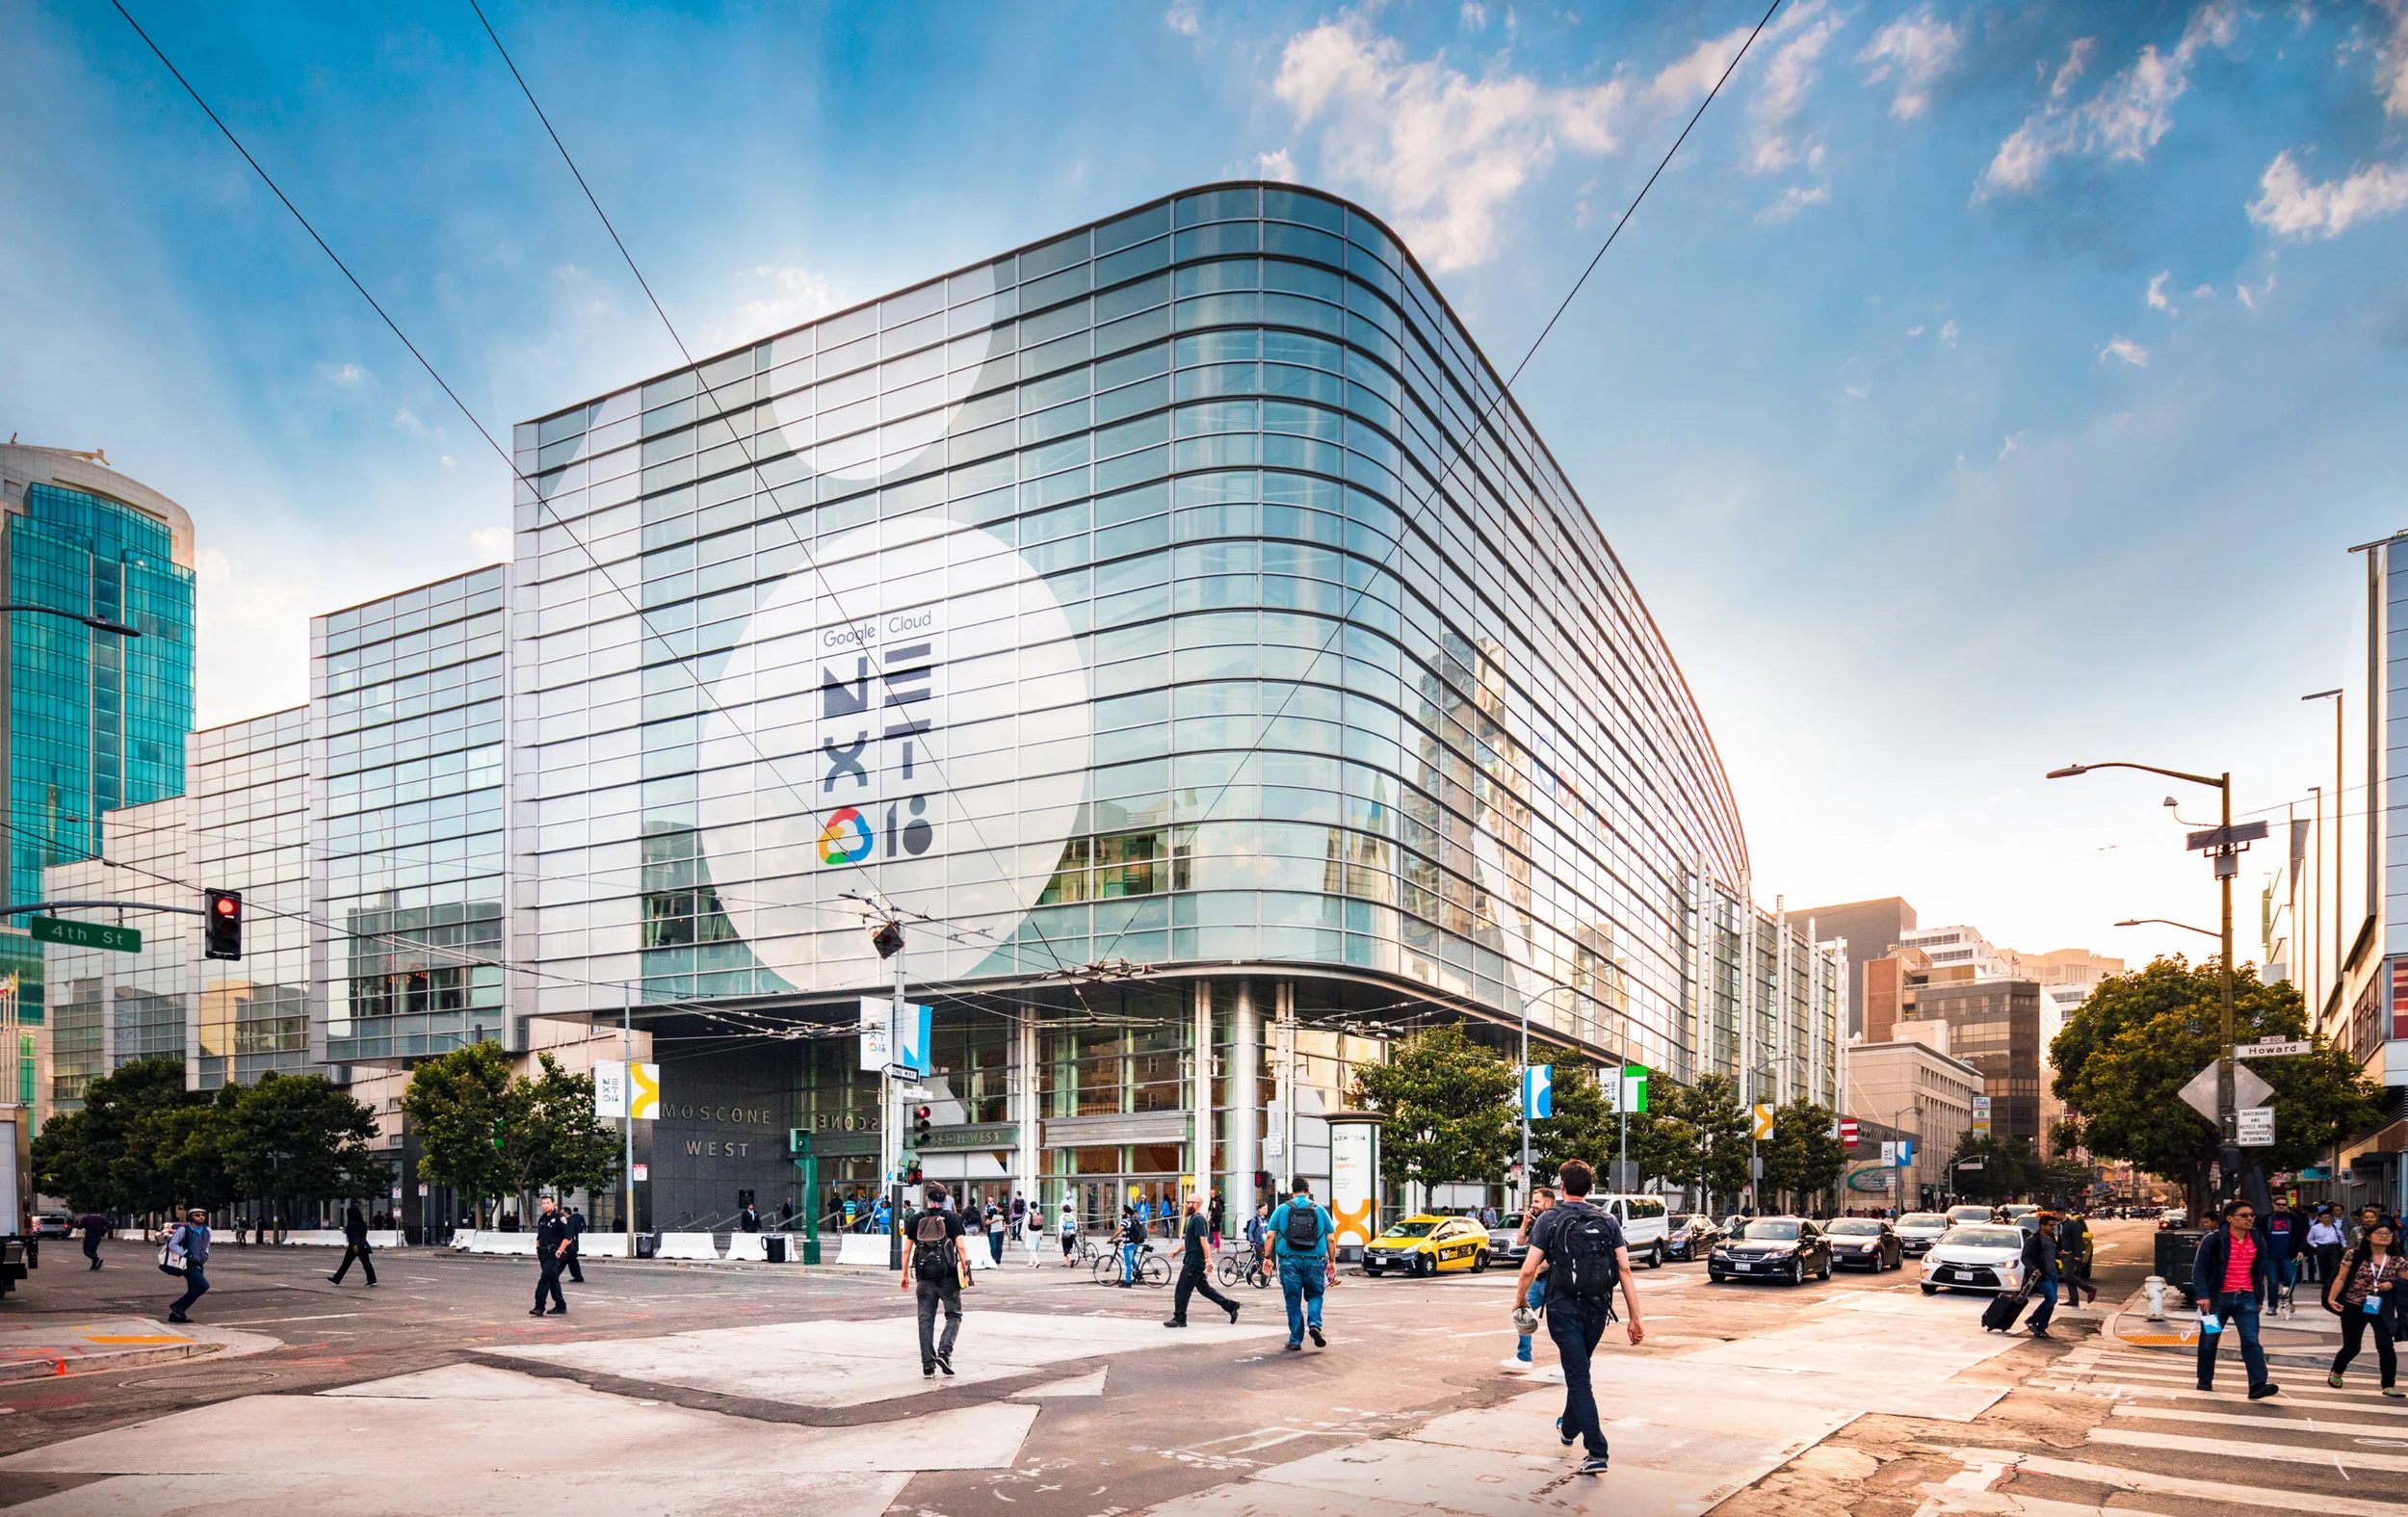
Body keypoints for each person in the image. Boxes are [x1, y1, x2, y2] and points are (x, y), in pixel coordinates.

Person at [1516, 1160, 1643, 1478]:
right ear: (1590, 1187)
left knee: (1578, 1376)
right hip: (1598, 1309)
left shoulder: (1549, 1219)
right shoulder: (1608, 1220)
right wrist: (1635, 1318)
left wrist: (1520, 1304)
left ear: (1562, 1186)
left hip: (1562, 1307)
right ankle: (1569, 1426)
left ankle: (1597, 1450)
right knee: (1579, 1370)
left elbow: (1529, 1268)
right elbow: (1625, 1269)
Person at [2192, 1196, 2278, 1399]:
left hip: (2246, 1299)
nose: (2250, 1219)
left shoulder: (2257, 1238)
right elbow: (2199, 1269)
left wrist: (2259, 1298)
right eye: (2244, 1215)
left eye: (2252, 1215)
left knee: (2251, 1341)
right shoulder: (2213, 1240)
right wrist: (2203, 1295)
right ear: (2230, 1218)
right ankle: (2204, 1380)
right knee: (2209, 1340)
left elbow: (2260, 1271)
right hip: (2217, 1301)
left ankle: (2257, 1385)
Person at [2325, 1216, 2402, 1396]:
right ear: (2368, 1236)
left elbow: (2404, 1282)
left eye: (2388, 1233)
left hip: (2382, 1307)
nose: (2384, 1236)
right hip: (2354, 1305)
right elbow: (2341, 1278)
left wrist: (2391, 1284)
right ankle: (2337, 1371)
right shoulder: (2354, 1254)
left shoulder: (2397, 1260)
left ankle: (2388, 1385)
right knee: (2352, 1346)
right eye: (2379, 1233)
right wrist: (2332, 1298)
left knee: (2385, 1346)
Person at [901, 1181, 967, 1377]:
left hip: (924, 1278)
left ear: (927, 1199)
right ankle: (944, 1352)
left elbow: (906, 1250)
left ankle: (928, 1366)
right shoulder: (952, 1218)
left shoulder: (916, 1219)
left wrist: (904, 1274)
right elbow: (961, 1247)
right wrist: (967, 1271)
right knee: (954, 1315)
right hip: (948, 1276)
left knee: (925, 1320)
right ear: (945, 1199)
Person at [1268, 1177, 1335, 1352]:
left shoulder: (1282, 1209)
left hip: (1289, 1261)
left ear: (1292, 1191)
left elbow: (1270, 1236)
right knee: (1315, 1295)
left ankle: (1295, 1340)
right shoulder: (1320, 1210)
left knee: (1292, 1300)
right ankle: (1314, 1324)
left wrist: (1267, 1258)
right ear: (1308, 1189)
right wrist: (1332, 1261)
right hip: (1314, 1261)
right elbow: (1331, 1238)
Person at [1165, 1195, 1242, 1328]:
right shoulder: (1193, 1219)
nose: (1186, 1205)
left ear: (1197, 1204)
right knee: (1205, 1290)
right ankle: (1231, 1306)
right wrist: (1177, 1251)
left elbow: (1203, 1240)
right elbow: (1191, 1242)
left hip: (1194, 1262)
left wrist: (1208, 1260)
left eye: (1189, 1202)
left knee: (1182, 1289)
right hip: (1192, 1260)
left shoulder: (1199, 1219)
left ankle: (1179, 1318)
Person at [1506, 1186, 1557, 1371]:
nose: (1533, 1205)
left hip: (1554, 1281)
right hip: (1539, 1282)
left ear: (1548, 1202)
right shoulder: (1538, 1222)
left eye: (1536, 1201)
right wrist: (1525, 1222)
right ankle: (1524, 1357)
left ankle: (1567, 1363)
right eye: (1532, 1202)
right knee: (1523, 1315)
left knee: (1560, 1325)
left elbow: (1557, 1256)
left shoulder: (1555, 1221)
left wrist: (1536, 1269)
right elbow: (1521, 1241)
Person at [163, 1208, 212, 1323]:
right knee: (203, 1286)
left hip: (199, 1262)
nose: (201, 1217)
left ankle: (176, 1315)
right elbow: (172, 1245)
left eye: (203, 1215)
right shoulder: (184, 1229)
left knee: (194, 1289)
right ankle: (177, 1306)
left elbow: (206, 1245)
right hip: (188, 1263)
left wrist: (205, 1255)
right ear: (191, 1217)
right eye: (197, 1215)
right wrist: (186, 1253)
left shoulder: (207, 1230)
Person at [2021, 1206, 2060, 1337]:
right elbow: (2024, 1257)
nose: (2052, 1228)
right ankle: (2032, 1320)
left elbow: (2052, 1254)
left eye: (2054, 1226)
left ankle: (2041, 1328)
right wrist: (2034, 1269)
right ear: (2042, 1226)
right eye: (2050, 1226)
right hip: (2041, 1275)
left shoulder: (2052, 1239)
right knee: (2051, 1299)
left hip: (2053, 1273)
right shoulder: (2033, 1240)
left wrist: (2061, 1254)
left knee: (2052, 1301)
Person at [530, 1196, 571, 1317]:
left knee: (545, 1278)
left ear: (553, 1203)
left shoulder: (560, 1218)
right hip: (543, 1252)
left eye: (548, 1203)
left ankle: (539, 1306)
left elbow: (567, 1237)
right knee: (552, 1279)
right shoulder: (542, 1219)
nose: (545, 1205)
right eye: (543, 1203)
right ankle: (560, 1305)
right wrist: (538, 1249)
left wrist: (559, 1252)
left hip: (553, 1253)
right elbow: (539, 1236)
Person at [327, 1200, 379, 1287]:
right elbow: (360, 1234)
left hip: (354, 1246)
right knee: (366, 1263)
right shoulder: (362, 1223)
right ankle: (372, 1280)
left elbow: (354, 1235)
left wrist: (354, 1245)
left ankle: (337, 1279)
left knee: (346, 1263)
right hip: (363, 1245)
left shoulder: (352, 1224)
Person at [2309, 1206, 2347, 1287]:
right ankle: (2325, 1282)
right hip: (2321, 1247)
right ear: (2320, 1219)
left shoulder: (2335, 1226)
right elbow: (2309, 1239)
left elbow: (2341, 1236)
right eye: (2325, 1217)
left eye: (2329, 1217)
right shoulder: (2315, 1228)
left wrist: (2344, 1246)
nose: (2327, 1219)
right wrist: (2316, 1246)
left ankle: (2333, 1282)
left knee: (2334, 1265)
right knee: (2323, 1265)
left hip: (2334, 1247)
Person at [1119, 1204, 1148, 1288]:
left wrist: (1111, 1238)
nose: (1122, 1213)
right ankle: (1138, 1273)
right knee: (1132, 1260)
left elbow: (1119, 1231)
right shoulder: (1133, 1220)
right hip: (1135, 1243)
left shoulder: (1125, 1221)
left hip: (1129, 1245)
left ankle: (1128, 1282)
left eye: (1123, 1211)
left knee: (1128, 1264)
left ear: (1127, 1213)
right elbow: (1127, 1233)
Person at [563, 1204, 587, 1284]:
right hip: (573, 1243)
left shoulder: (570, 1221)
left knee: (562, 1261)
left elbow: (570, 1234)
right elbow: (583, 1224)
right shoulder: (578, 1217)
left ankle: (552, 1276)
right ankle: (578, 1276)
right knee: (572, 1261)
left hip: (570, 1244)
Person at [984, 1201, 1006, 1267]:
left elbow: (1004, 1220)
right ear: (997, 1207)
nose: (1000, 1210)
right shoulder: (991, 1211)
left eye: (1001, 1209)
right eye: (999, 1208)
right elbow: (987, 1222)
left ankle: (998, 1260)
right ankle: (992, 1259)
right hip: (993, 1231)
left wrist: (1004, 1227)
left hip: (1000, 1231)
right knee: (994, 1247)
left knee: (1000, 1247)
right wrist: (995, 1220)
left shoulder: (1002, 1212)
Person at [1059, 1197, 1079, 1265]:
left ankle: (1071, 1259)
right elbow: (1075, 1225)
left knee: (1065, 1248)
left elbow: (1060, 1227)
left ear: (1063, 1210)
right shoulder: (1072, 1216)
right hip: (1072, 1233)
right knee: (1069, 1247)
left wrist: (1060, 1236)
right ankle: (1065, 1262)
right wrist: (1075, 1232)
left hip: (1065, 1234)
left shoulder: (1062, 1216)